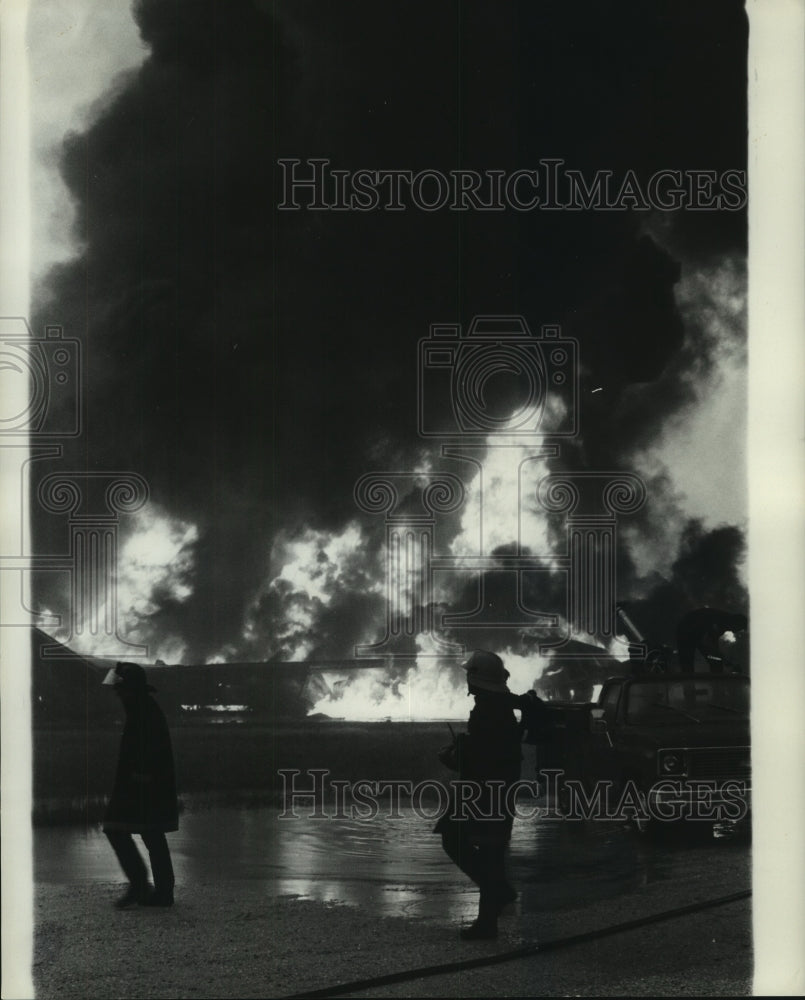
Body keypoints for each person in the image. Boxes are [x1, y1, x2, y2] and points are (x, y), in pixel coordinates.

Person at [434, 650, 522, 941]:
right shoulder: (496, 704)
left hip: (485, 791)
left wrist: (455, 759)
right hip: (495, 789)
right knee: (490, 850)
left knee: (459, 838)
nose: (466, 680)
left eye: (469, 674)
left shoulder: (488, 710)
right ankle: (492, 910)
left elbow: (485, 757)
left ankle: (494, 904)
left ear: (477, 677)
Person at [102, 662, 178, 908]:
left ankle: (142, 887)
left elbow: (149, 750)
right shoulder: (142, 708)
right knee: (152, 834)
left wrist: (140, 776)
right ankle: (159, 891)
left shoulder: (144, 711)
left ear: (130, 688)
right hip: (145, 785)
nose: (117, 693)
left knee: (118, 828)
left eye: (120, 689)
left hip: (142, 786)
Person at [676, 608, 748, 672]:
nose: (737, 631)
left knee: (715, 660)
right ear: (736, 623)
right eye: (740, 628)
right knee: (688, 661)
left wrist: (722, 658)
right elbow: (709, 642)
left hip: (693, 631)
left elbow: (711, 643)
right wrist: (724, 660)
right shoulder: (722, 621)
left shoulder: (724, 621)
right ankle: (717, 683)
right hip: (687, 631)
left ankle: (691, 683)